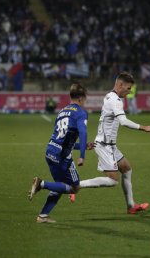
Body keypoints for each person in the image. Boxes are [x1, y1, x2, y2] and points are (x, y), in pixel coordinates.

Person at [71, 72, 150, 214]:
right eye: (128, 88)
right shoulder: (115, 100)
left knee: (127, 169)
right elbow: (123, 122)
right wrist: (144, 128)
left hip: (109, 145)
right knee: (113, 181)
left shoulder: (110, 96)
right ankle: (75, 186)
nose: (129, 92)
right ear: (120, 85)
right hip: (104, 145)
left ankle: (131, 206)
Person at [28, 83, 93, 223]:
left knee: (60, 184)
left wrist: (82, 146)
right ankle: (41, 184)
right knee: (75, 187)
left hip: (50, 150)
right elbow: (83, 132)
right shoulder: (81, 113)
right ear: (82, 98)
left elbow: (62, 138)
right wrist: (82, 155)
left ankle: (43, 216)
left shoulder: (62, 111)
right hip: (61, 156)